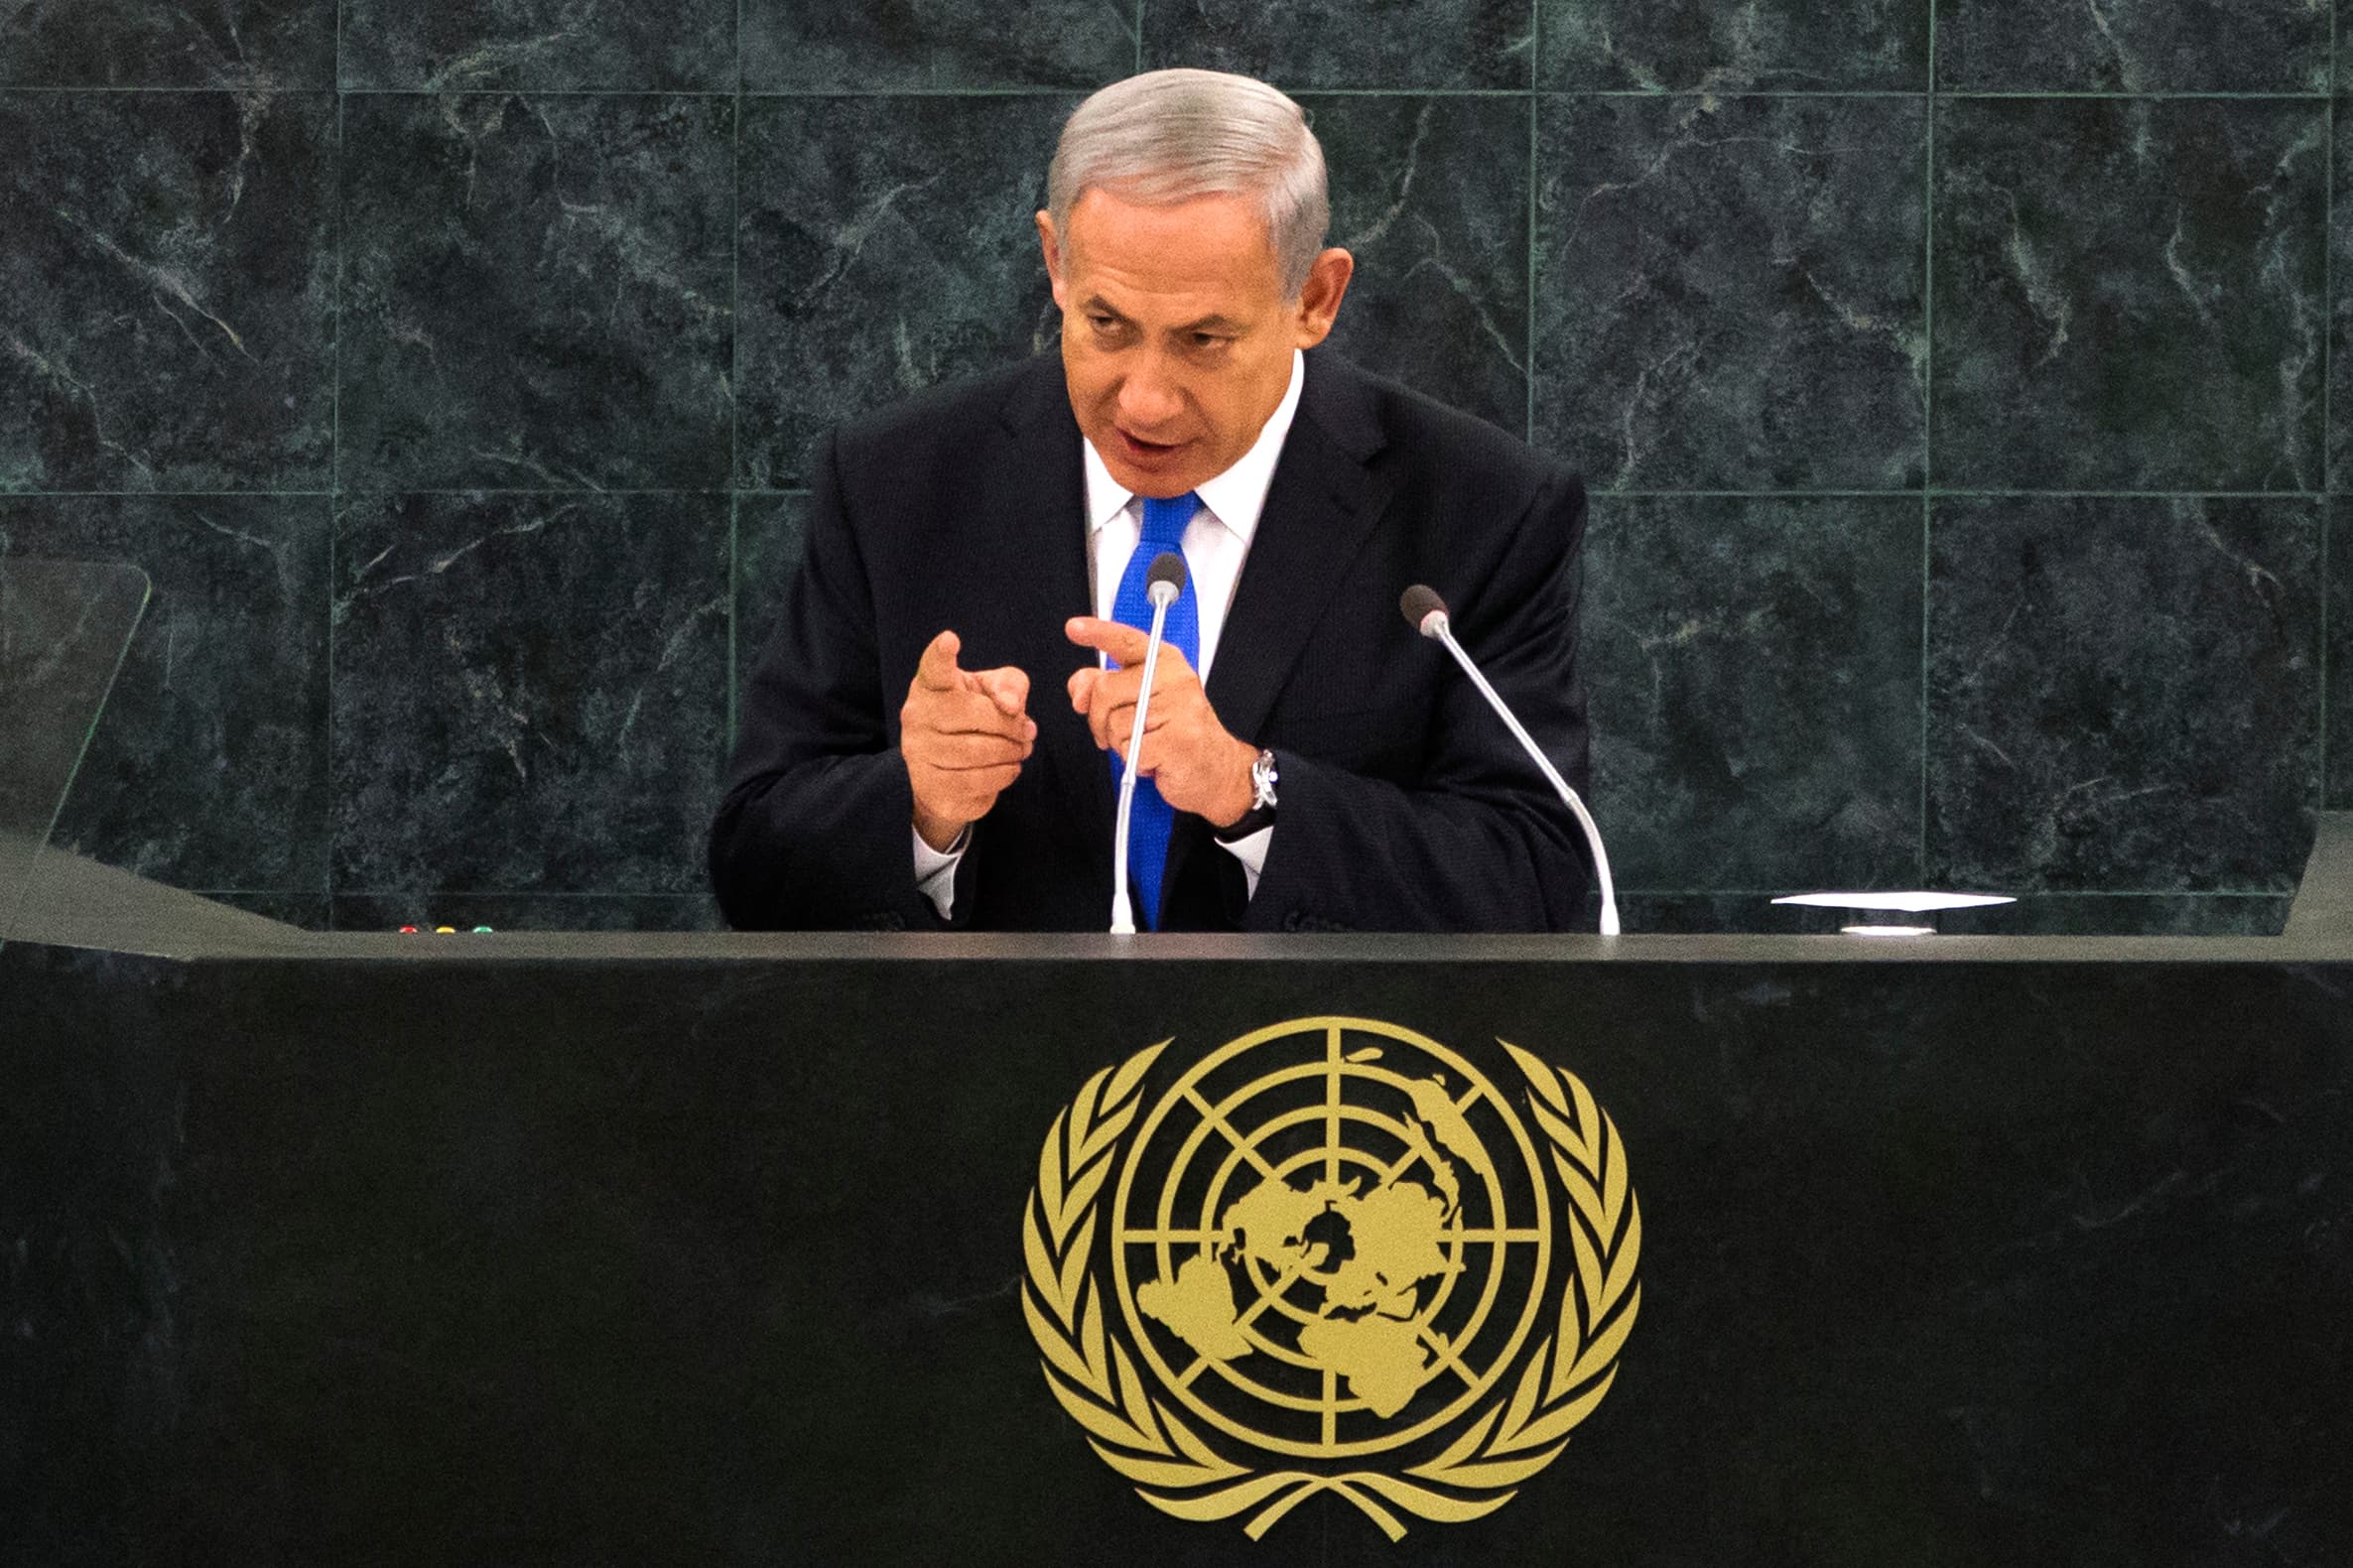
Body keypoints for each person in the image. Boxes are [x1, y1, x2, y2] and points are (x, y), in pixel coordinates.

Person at [711, 67, 1591, 933]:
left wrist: (1247, 790)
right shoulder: (896, 482)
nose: (1144, 402)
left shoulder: (1481, 507)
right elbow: (753, 864)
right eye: (1107, 326)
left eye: (1203, 339)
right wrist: (920, 807)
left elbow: (1539, 880)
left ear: (1314, 299)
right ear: (1056, 262)